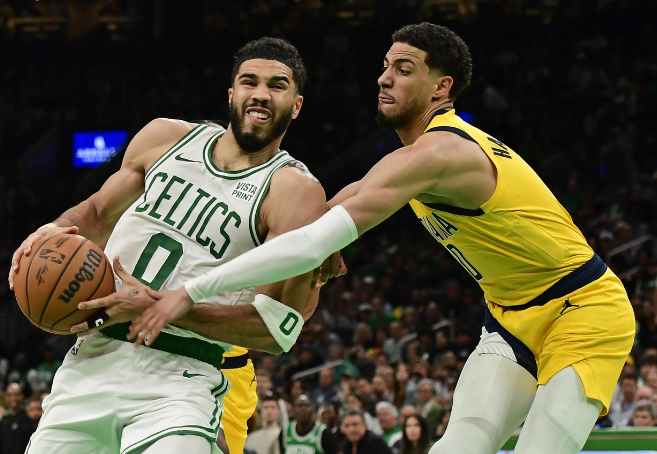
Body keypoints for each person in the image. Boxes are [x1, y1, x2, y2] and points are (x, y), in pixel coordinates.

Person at [133, 22, 636, 454]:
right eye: (385, 65)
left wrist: (189, 291)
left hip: (586, 309)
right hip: (509, 316)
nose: (384, 78)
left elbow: (307, 243)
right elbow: (311, 226)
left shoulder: (441, 153)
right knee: (459, 444)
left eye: (403, 68)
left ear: (441, 88)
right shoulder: (408, 161)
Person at [8, 37, 340, 454]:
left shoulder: (294, 190)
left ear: (296, 105)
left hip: (180, 378)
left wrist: (156, 308)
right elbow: (95, 214)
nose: (260, 93)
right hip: (92, 359)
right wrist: (52, 229)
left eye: (277, 85)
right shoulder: (166, 137)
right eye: (249, 81)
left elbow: (274, 328)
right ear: (232, 93)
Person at [0, 384, 33, 454]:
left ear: (22, 396)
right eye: (10, 395)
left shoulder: (28, 418)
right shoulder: (4, 420)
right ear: (6, 397)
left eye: (17, 395)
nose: (13, 398)